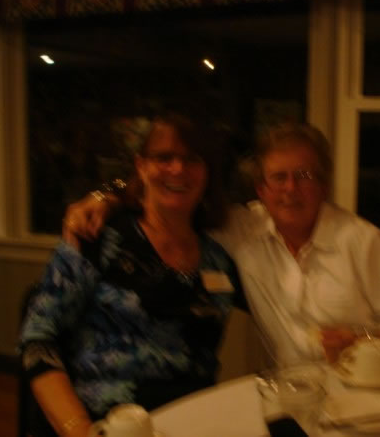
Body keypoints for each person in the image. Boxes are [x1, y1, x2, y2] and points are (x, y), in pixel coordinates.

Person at [63, 122, 380, 367]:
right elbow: (173, 200)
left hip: (371, 398)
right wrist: (106, 196)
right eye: (278, 177)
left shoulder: (363, 241)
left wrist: (364, 340)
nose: (291, 189)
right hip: (296, 399)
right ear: (261, 189)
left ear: (323, 185)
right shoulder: (243, 230)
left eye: (304, 175)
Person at [19, 111, 245, 437]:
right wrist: (79, 428)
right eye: (163, 157)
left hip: (195, 420)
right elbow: (38, 339)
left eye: (192, 159)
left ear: (207, 172)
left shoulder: (219, 258)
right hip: (107, 422)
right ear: (141, 165)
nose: (178, 169)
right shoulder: (97, 238)